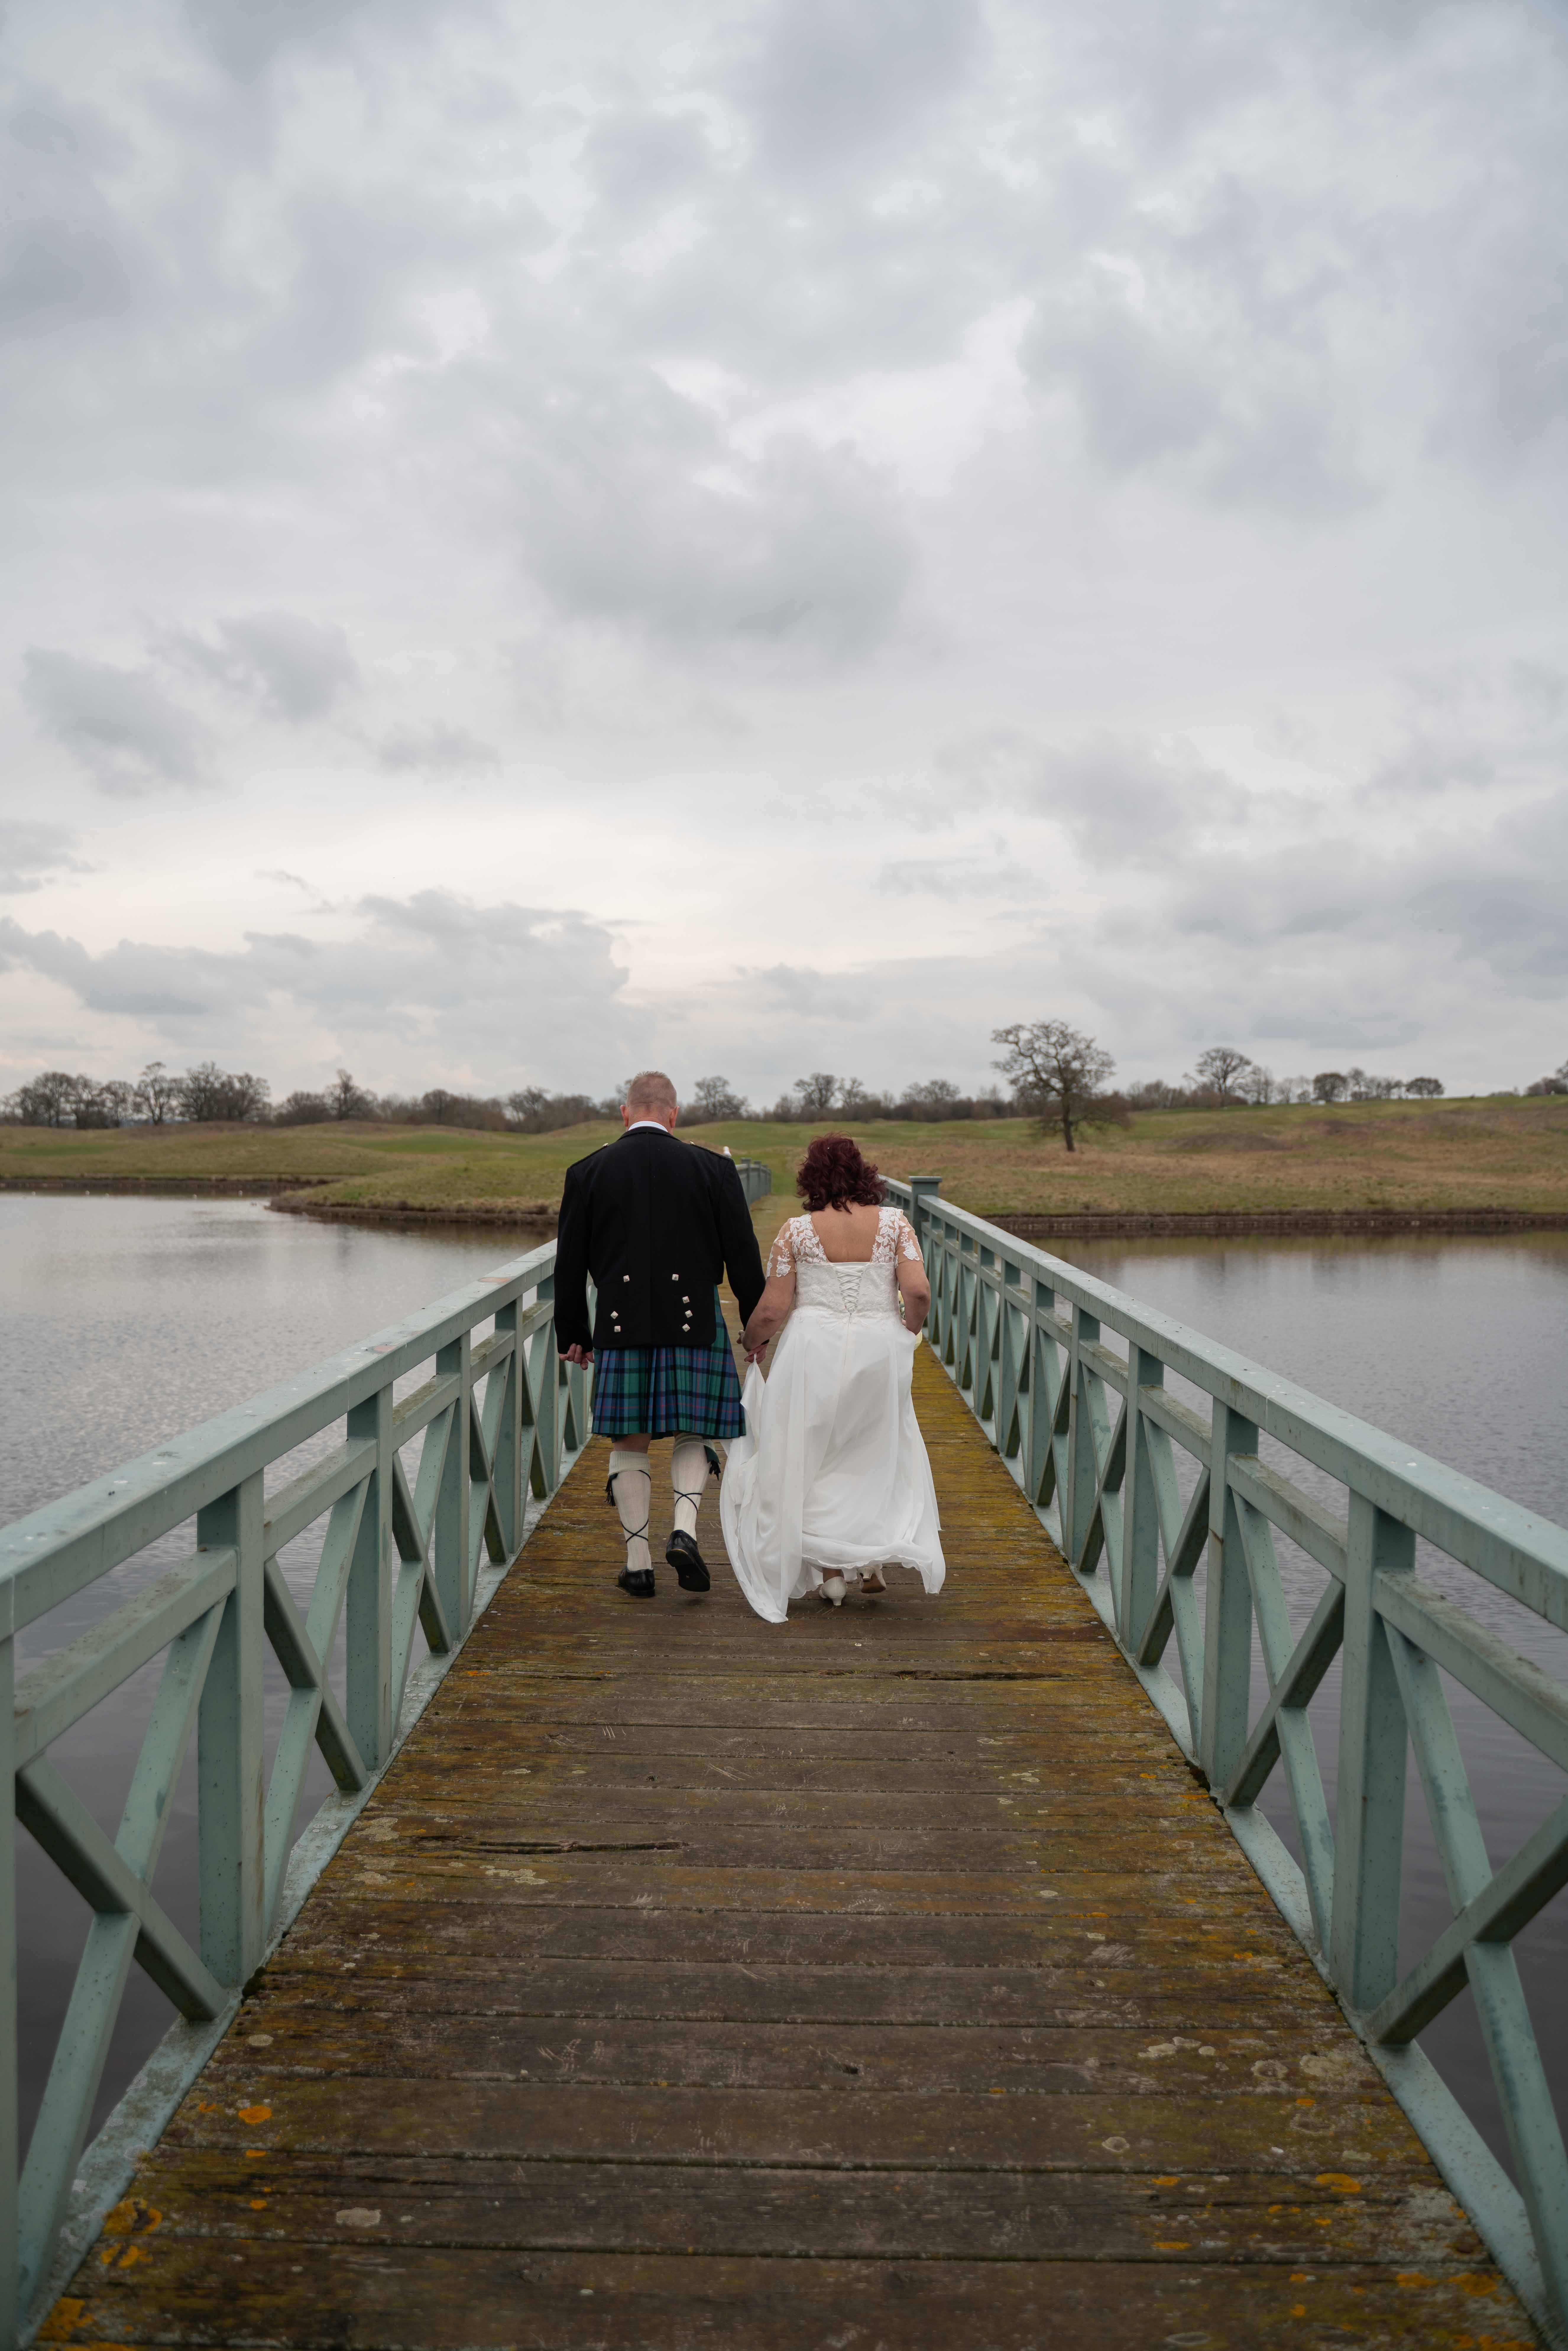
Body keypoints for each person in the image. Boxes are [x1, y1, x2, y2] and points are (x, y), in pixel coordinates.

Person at [554, 1071, 766, 1598]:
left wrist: (574, 1331)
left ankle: (638, 1565)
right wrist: (756, 1327)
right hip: (695, 1320)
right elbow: (743, 1255)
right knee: (696, 1428)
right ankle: (685, 1532)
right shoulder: (714, 1169)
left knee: (630, 1439)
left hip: (620, 1325)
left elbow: (569, 1263)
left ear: (625, 1113)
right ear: (674, 1114)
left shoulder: (588, 1171)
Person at [720, 1133, 945, 1622]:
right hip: (879, 1348)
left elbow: (774, 1307)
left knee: (813, 1451)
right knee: (872, 1447)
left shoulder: (796, 1232)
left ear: (810, 1178)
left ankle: (831, 1574)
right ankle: (869, 1559)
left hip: (813, 1349)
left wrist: (752, 1340)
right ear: (866, 1174)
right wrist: (906, 1332)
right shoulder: (895, 1224)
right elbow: (920, 1292)